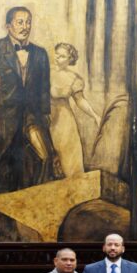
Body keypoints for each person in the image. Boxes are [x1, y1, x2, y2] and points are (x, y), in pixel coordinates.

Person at [0, 6, 61, 194]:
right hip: (1, 121)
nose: (25, 27)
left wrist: (45, 113)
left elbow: (43, 88)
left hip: (31, 118)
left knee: (43, 159)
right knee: (3, 170)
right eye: (20, 22)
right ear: (8, 26)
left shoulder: (40, 54)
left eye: (28, 22)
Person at [48, 42, 99, 177]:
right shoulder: (45, 71)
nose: (57, 58)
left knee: (69, 157)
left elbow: (80, 101)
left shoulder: (73, 78)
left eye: (62, 56)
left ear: (70, 59)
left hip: (63, 120)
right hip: (45, 116)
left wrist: (95, 116)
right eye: (57, 54)